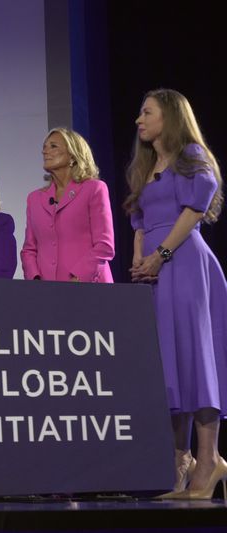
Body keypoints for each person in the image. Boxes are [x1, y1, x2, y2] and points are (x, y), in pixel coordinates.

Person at [126, 88, 227, 499]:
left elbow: (195, 210)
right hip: (153, 272)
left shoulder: (192, 156)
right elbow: (138, 218)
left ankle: (210, 462)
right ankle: (178, 461)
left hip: (185, 264)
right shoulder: (146, 165)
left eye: (146, 112)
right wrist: (140, 260)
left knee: (194, 360)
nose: (138, 119)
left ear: (169, 114)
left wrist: (162, 253)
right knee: (167, 367)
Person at [21, 127, 114, 282]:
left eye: (53, 146)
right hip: (47, 292)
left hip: (89, 285)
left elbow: (104, 246)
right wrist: (35, 279)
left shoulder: (94, 189)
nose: (45, 151)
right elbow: (29, 249)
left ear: (72, 155)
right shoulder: (34, 199)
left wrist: (78, 277)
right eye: (44, 147)